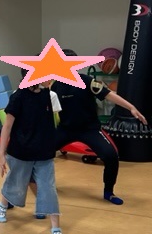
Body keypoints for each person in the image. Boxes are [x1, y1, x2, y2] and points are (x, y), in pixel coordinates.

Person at [51, 49, 148, 205]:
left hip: (90, 130)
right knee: (40, 151)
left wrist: (131, 107)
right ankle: (34, 180)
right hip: (65, 129)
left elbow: (109, 94)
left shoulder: (87, 81)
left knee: (111, 155)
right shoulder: (56, 86)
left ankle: (109, 192)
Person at [0, 69, 67, 234]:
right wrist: (1, 154)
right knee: (16, 183)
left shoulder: (48, 95)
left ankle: (56, 229)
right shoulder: (18, 96)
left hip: (44, 152)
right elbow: (7, 126)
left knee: (49, 188)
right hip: (20, 151)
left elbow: (49, 122)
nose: (49, 78)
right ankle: (3, 206)